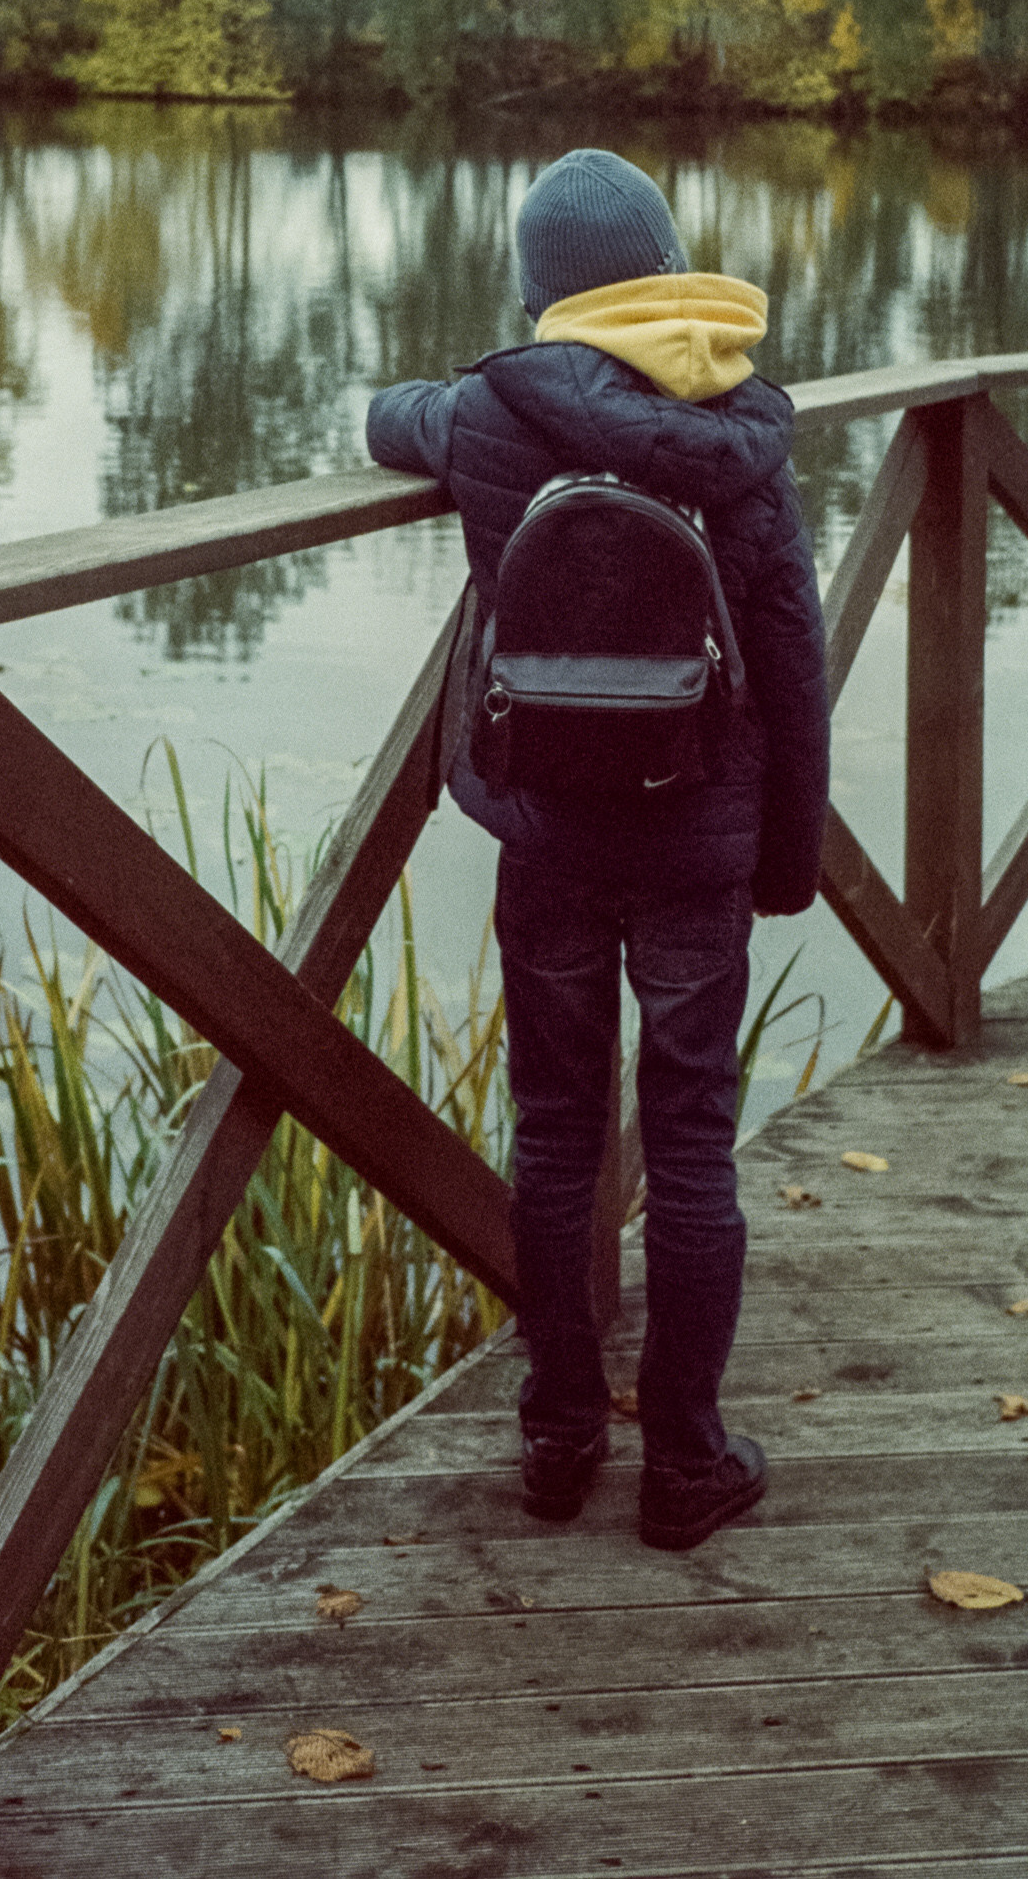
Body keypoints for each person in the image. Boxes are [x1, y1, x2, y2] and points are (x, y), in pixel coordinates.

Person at [365, 146, 830, 1550]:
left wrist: (454, 385)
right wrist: (785, 854)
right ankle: (685, 1461)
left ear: (540, 290)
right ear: (668, 270)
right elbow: (794, 653)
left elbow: (386, 416)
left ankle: (559, 1436)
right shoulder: (738, 425)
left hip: (551, 833)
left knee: (557, 1133)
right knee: (691, 1142)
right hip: (696, 839)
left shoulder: (488, 417)